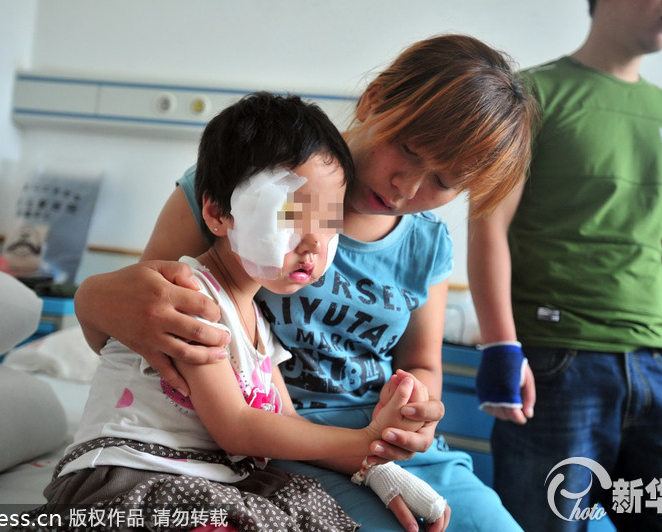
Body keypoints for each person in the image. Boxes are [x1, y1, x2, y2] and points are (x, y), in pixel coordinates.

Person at [75, 34, 538, 531]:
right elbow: (145, 314)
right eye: (406, 148)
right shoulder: (246, 184)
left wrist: (411, 413)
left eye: (444, 182)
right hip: (280, 441)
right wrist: (88, 298)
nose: (407, 187)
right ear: (374, 100)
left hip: (379, 443)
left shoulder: (426, 243)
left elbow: (422, 363)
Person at [26, 92, 454, 532]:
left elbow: (285, 421)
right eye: (290, 216)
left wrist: (375, 467)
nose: (314, 243)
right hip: (134, 475)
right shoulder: (191, 298)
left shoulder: (260, 324)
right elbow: (237, 426)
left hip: (206, 477)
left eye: (329, 223)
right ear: (217, 213)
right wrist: (363, 441)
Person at [470, 1, 662, 530]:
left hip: (657, 363)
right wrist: (500, 346)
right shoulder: (531, 94)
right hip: (554, 362)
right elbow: (487, 223)